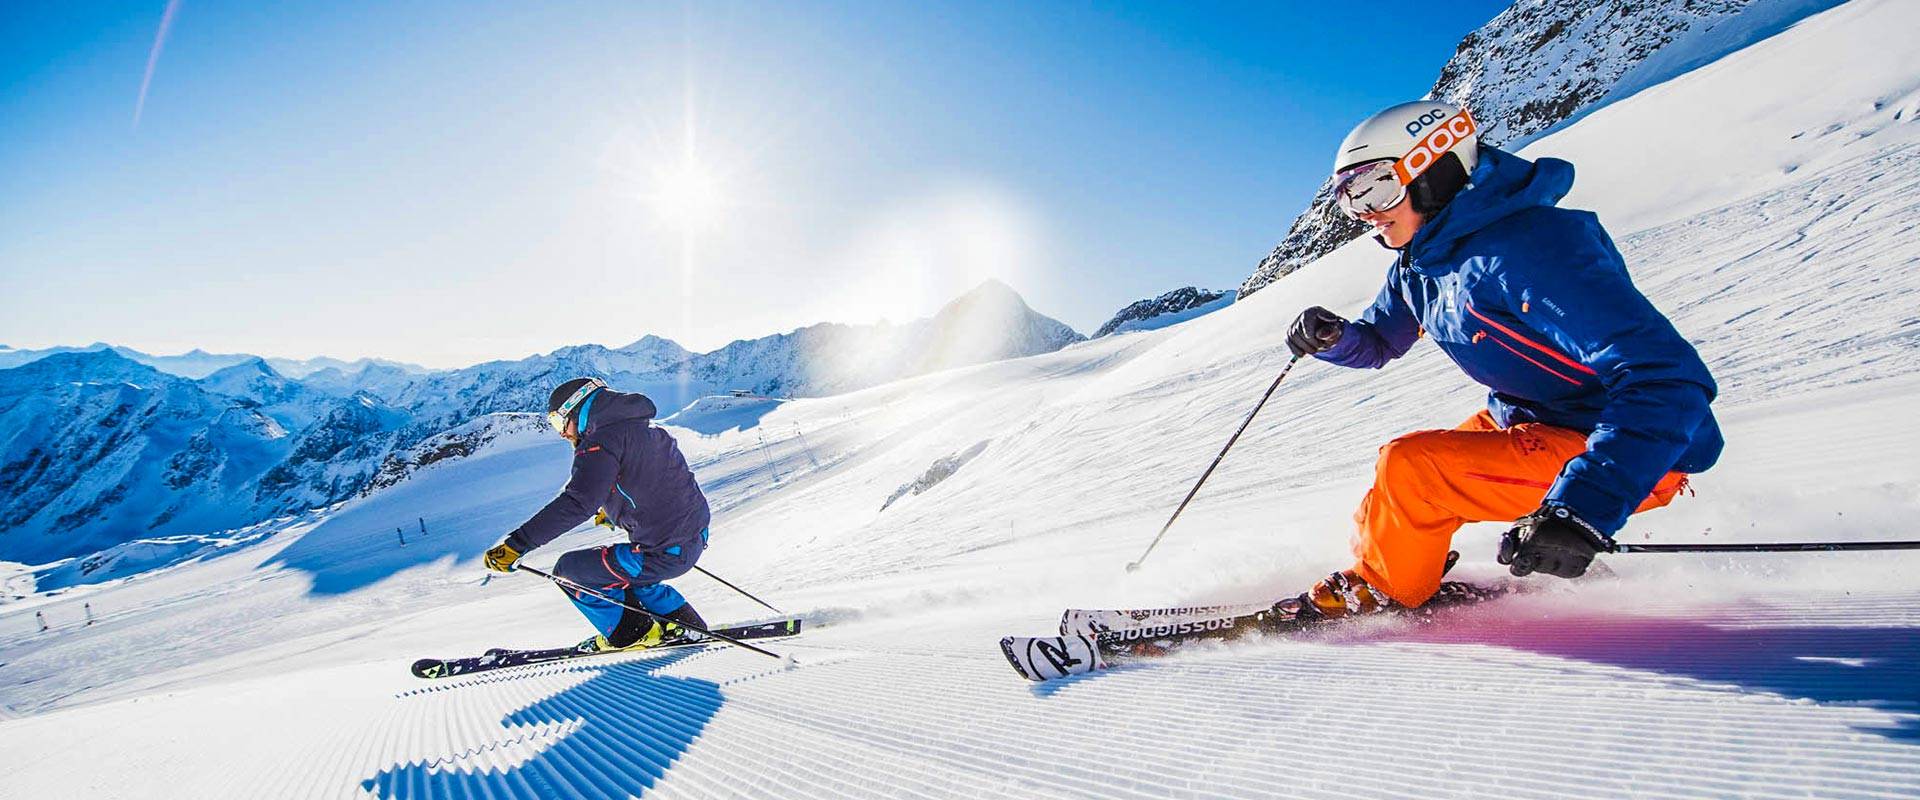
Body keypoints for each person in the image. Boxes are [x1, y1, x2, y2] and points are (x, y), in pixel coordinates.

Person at [1283, 101, 1723, 618]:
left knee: (1414, 472)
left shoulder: (1532, 249)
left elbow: (1666, 378)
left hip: (1629, 449)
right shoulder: (1421, 264)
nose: (1364, 215)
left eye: (1375, 189)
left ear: (1434, 170)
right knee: (1393, 484)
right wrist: (1334, 339)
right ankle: (1390, 567)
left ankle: (1387, 589)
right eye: (1348, 200)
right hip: (1532, 417)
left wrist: (1584, 506)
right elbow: (1380, 340)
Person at [483, 377, 713, 652]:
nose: (562, 433)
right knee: (634, 575)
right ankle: (683, 623)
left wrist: (516, 544)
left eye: (559, 422)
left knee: (570, 571)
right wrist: (616, 512)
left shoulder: (600, 443)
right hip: (690, 540)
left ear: (578, 411)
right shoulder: (647, 430)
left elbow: (578, 503)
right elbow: (656, 484)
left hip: (662, 553)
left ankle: (631, 633)